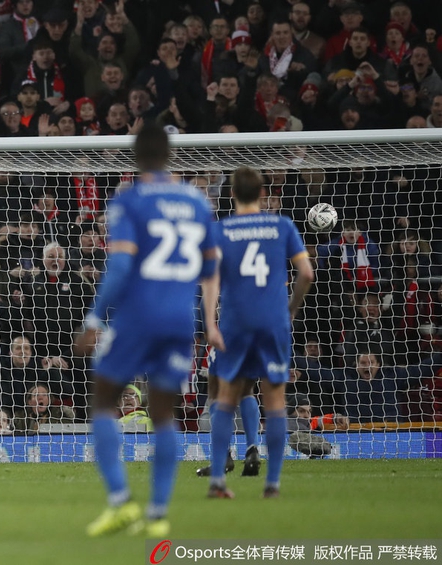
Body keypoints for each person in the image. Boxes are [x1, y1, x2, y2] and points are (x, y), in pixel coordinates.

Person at [74, 124, 218, 537]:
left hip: (138, 315)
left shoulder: (130, 199)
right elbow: (210, 270)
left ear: (135, 158)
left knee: (103, 402)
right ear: (170, 155)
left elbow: (119, 266)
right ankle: (158, 515)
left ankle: (120, 503)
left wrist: (94, 319)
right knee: (163, 414)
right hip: (180, 319)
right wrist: (209, 324)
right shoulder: (197, 201)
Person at [201, 166, 314, 499]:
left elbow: (210, 278)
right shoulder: (282, 226)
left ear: (232, 194)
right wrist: (290, 309)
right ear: (262, 193)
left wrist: (210, 323)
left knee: (225, 397)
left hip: (236, 323)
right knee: (275, 401)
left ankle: (219, 482)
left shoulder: (221, 231)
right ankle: (273, 484)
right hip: (272, 323)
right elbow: (306, 272)